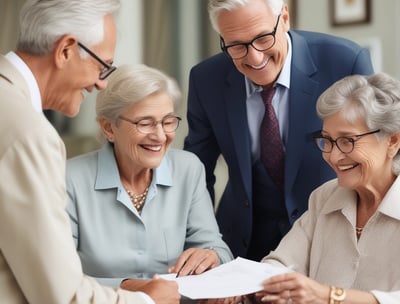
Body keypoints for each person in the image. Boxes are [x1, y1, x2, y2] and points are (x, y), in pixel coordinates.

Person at [0, 1, 179, 303]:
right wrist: (149, 301)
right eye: (102, 65)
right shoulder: (30, 134)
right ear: (66, 49)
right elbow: (61, 296)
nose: (101, 83)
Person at [183, 0, 374, 261]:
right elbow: (196, 174)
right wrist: (205, 243)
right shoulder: (206, 79)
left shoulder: (345, 62)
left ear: (284, 17)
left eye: (263, 38)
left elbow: (373, 162)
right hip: (240, 246)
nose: (255, 58)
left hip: (329, 238)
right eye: (237, 46)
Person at [66, 63, 233, 290]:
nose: (160, 135)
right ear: (108, 128)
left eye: (167, 121)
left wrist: (210, 256)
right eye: (144, 123)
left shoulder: (188, 169)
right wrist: (133, 288)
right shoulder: (69, 179)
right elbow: (59, 277)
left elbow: (217, 248)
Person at [254, 72, 400, 303]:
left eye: (347, 140)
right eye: (327, 140)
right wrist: (250, 289)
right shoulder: (324, 197)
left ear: (393, 141)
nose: (333, 156)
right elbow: (278, 265)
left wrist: (329, 296)